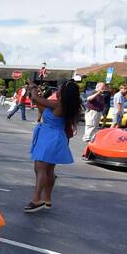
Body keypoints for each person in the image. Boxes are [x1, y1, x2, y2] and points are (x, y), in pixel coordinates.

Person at [24, 78, 81, 212]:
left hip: (49, 137)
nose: (58, 90)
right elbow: (41, 106)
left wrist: (33, 87)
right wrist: (34, 92)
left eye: (60, 88)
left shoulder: (57, 104)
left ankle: (36, 199)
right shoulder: (63, 105)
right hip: (55, 136)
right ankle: (47, 199)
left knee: (40, 168)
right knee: (49, 170)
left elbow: (37, 100)